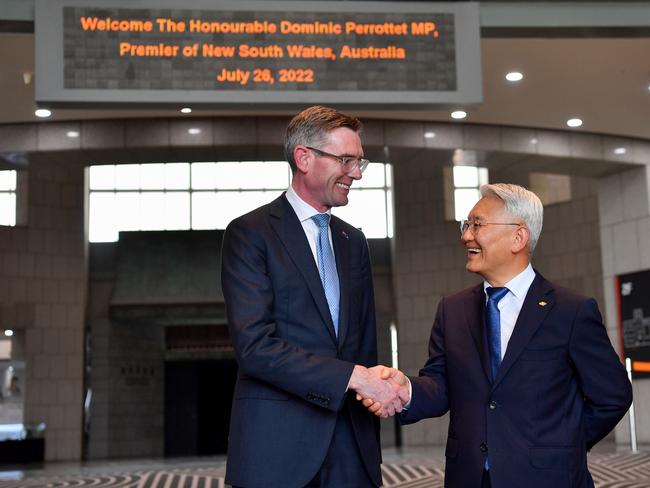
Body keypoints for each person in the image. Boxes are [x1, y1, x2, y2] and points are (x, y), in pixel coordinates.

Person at [362, 183, 633, 488]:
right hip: (470, 479)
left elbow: (613, 396)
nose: (466, 235)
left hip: (549, 478)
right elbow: (441, 386)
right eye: (467, 225)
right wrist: (406, 390)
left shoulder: (571, 311)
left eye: (477, 225)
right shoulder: (452, 310)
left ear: (518, 237)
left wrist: (561, 446)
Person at [221, 105, 406, 488]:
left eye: (360, 162)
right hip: (277, 452)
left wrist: (378, 389)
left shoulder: (353, 241)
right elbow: (255, 347)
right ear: (303, 158)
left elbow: (364, 346)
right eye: (346, 160)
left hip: (352, 451)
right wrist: (355, 378)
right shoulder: (250, 233)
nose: (356, 173)